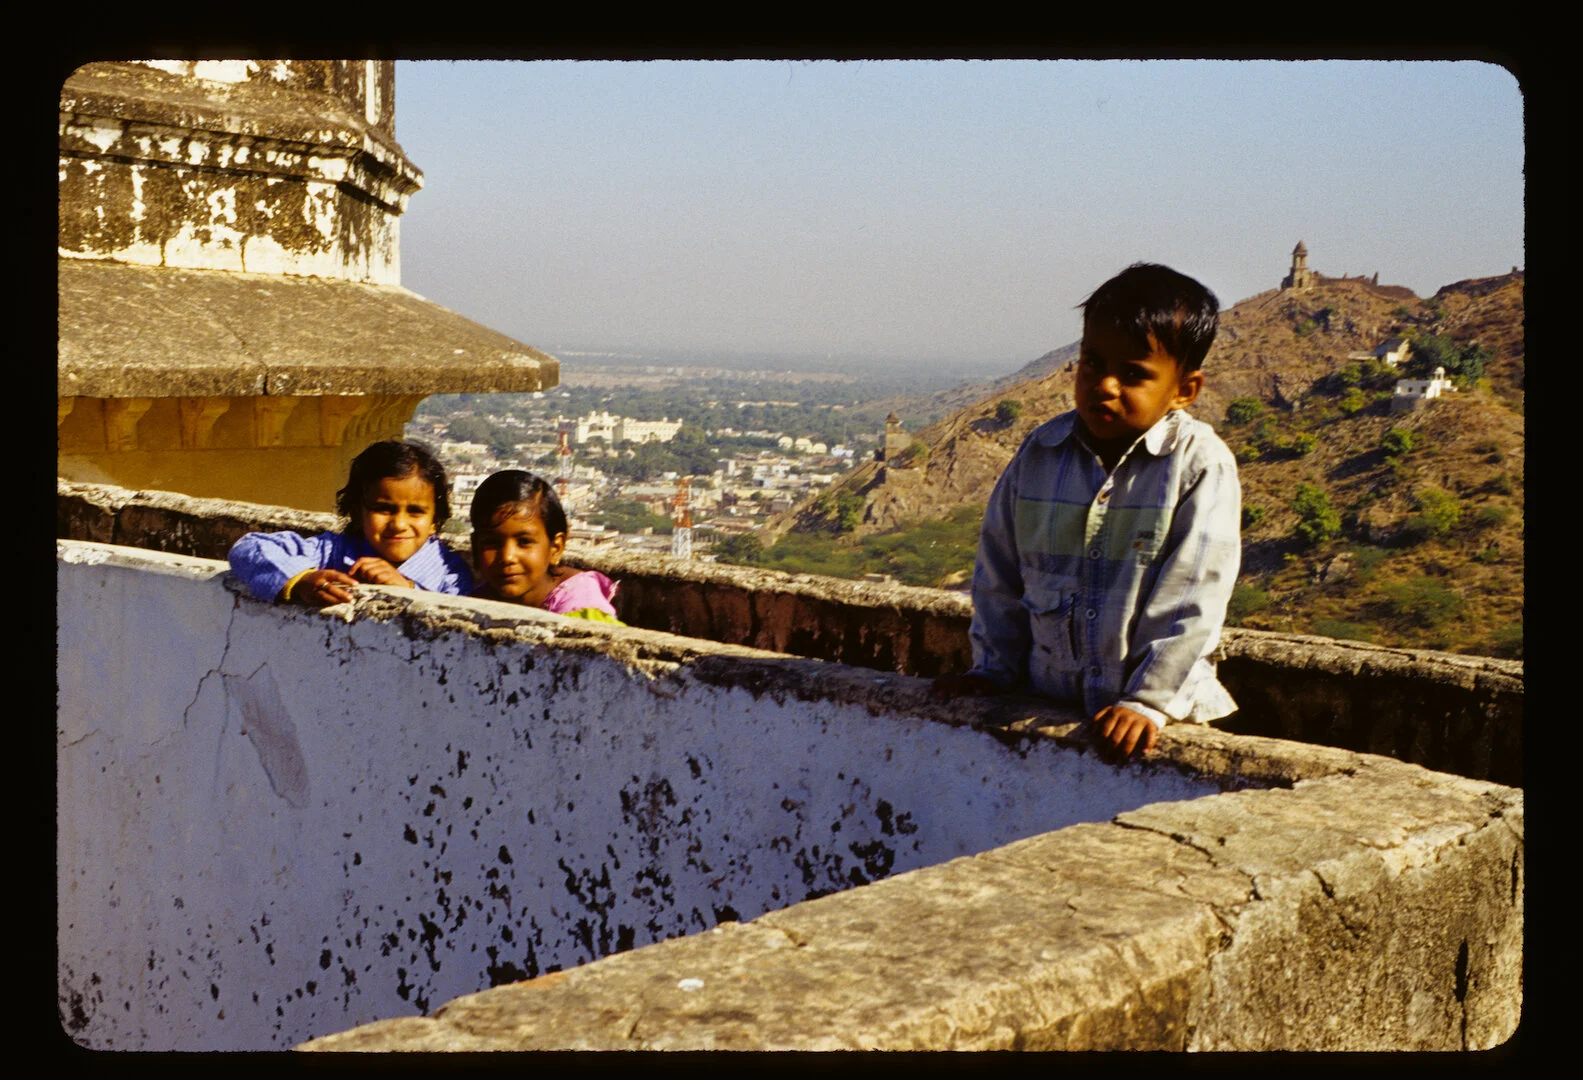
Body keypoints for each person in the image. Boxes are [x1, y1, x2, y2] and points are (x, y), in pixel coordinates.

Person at [934, 263, 1240, 760]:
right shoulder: (1041, 453)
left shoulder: (1198, 466)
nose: (1106, 385)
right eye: (1093, 363)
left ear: (1184, 389)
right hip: (1047, 702)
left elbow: (1193, 598)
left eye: (1135, 374)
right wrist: (992, 671)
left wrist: (1147, 702)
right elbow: (1000, 575)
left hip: (1157, 719)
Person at [229, 440, 472, 606]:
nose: (398, 524)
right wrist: (300, 579)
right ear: (357, 511)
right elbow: (249, 547)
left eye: (415, 512)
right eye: (383, 509)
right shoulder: (332, 551)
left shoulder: (449, 573)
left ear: (434, 522)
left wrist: (407, 590)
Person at [468, 470, 622, 624]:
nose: (507, 557)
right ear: (475, 546)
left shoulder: (581, 614)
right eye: (492, 543)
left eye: (524, 542)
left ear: (556, 548)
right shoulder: (477, 602)